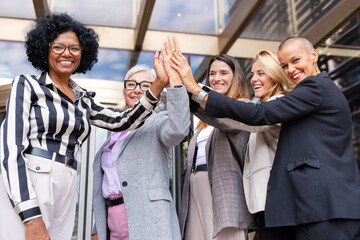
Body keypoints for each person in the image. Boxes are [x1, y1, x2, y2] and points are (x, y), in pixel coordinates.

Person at [0, 13, 168, 240]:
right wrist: (30, 215)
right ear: (45, 49)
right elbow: (11, 150)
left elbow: (122, 121)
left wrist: (157, 85)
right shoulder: (27, 85)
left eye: (75, 48)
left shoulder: (83, 99)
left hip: (68, 181)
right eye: (58, 47)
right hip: (32, 179)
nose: (67, 53)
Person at [181, 36, 360, 239]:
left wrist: (197, 90)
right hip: (312, 209)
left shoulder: (315, 87)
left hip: (327, 207)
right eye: (284, 65)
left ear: (314, 56)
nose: (291, 69)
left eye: (296, 60)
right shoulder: (307, 95)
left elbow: (258, 115)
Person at [92, 52, 190, 239]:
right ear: (124, 90)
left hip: (149, 218)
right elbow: (110, 182)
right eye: (131, 84)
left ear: (156, 90)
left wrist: (175, 84)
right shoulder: (113, 130)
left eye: (146, 85)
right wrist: (97, 228)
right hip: (112, 220)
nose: (137, 90)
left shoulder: (158, 121)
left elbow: (178, 130)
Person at [167, 35, 255, 239]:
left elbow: (223, 120)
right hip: (195, 185)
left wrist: (193, 88)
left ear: (236, 77)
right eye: (212, 74)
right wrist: (175, 80)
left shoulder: (244, 107)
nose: (217, 78)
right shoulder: (202, 121)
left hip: (224, 188)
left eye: (224, 73)